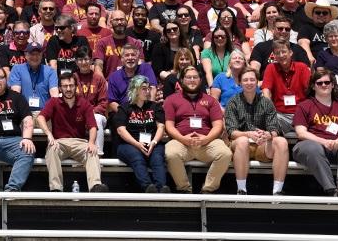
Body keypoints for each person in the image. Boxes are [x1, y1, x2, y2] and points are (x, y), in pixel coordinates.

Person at [164, 66, 232, 194]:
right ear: (182, 80)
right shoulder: (171, 99)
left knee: (225, 153)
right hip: (181, 142)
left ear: (200, 80)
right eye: (188, 77)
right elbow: (169, 126)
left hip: (207, 142)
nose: (192, 80)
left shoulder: (210, 100)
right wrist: (183, 138)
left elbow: (218, 125)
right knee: (170, 153)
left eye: (195, 77)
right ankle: (184, 189)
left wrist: (206, 139)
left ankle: (208, 189)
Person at [37, 73, 108, 192]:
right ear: (60, 88)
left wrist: (91, 142)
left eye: (71, 85)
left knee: (92, 151)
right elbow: (40, 117)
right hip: (60, 142)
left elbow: (92, 126)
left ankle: (95, 186)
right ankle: (56, 188)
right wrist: (49, 134)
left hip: (79, 142)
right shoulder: (54, 102)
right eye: (65, 86)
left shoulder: (84, 103)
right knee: (51, 150)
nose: (68, 89)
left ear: (76, 87)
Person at [225, 67, 288, 195]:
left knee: (281, 141)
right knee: (242, 141)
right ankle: (241, 190)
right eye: (245, 80)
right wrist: (247, 134)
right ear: (240, 83)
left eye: (252, 79)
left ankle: (277, 192)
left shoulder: (267, 103)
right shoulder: (233, 102)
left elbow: (275, 129)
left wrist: (268, 135)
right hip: (240, 146)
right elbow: (231, 131)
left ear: (257, 81)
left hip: (262, 145)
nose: (249, 83)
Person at [293, 69, 338, 196]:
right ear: (313, 86)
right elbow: (301, 133)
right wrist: (324, 142)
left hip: (337, 145)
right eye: (319, 83)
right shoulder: (304, 106)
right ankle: (332, 190)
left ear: (333, 84)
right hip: (309, 145)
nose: (324, 85)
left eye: (327, 82)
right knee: (313, 148)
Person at [113, 75, 168, 193]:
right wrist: (137, 144)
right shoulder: (124, 108)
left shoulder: (155, 106)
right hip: (129, 144)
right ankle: (148, 187)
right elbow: (121, 130)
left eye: (148, 88)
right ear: (135, 89)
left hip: (152, 142)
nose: (147, 91)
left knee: (157, 158)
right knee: (137, 157)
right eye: (143, 88)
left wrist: (154, 142)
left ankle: (162, 187)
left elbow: (161, 126)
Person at [261, 39, 312, 134]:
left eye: (283, 52)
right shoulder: (271, 68)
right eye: (277, 53)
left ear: (290, 52)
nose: (281, 55)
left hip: (301, 113)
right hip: (280, 115)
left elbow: (311, 90)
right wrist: (269, 109)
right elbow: (266, 90)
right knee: (267, 122)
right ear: (274, 56)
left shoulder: (302, 67)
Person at [8, 42, 59, 112]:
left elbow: (54, 95)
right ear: (25, 55)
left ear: (42, 56)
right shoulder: (17, 69)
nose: (35, 57)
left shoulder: (50, 71)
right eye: (32, 54)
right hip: (24, 112)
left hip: (44, 112)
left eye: (38, 54)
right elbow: (15, 93)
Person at [314, 22, 338, 96]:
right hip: (332, 91)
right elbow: (321, 75)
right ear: (326, 39)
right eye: (330, 36)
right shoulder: (322, 54)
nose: (333, 39)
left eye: (336, 36)